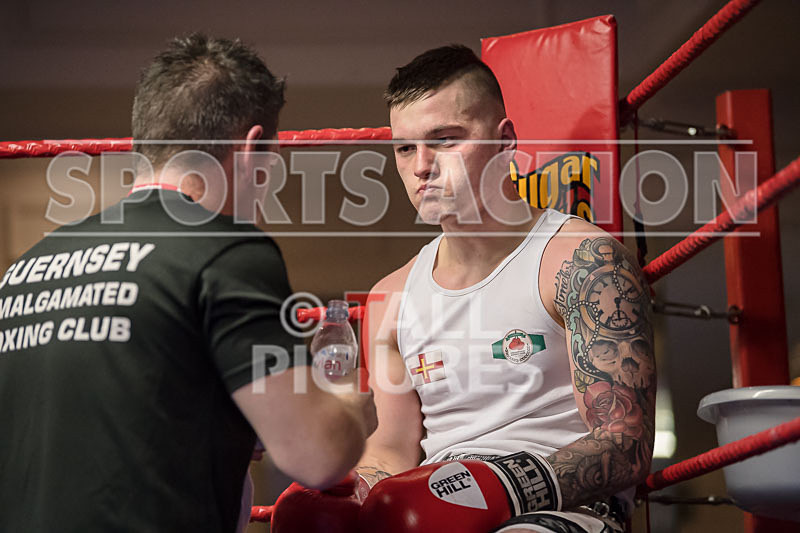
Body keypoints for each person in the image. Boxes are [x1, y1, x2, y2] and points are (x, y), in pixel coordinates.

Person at [0, 34, 376, 532]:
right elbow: (317, 456)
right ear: (251, 151)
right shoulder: (227, 251)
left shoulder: (27, 269)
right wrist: (348, 407)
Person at [354, 45, 656, 533]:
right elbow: (390, 449)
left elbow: (626, 443)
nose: (421, 166)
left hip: (565, 513)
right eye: (405, 148)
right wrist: (352, 492)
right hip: (435, 514)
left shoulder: (582, 262)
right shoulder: (391, 296)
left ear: (504, 140)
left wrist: (496, 489)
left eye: (444, 140)